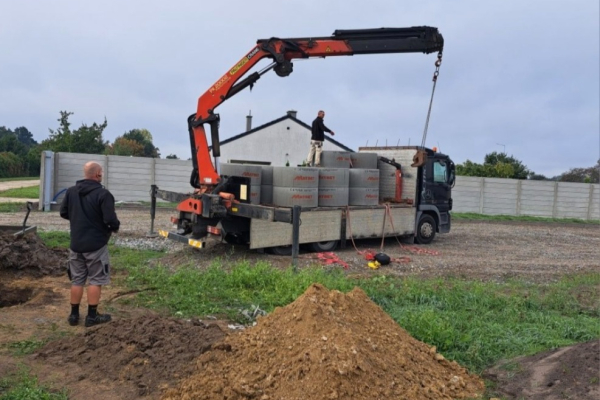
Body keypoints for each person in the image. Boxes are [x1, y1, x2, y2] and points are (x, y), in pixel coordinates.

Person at [60, 161, 120, 327]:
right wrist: (114, 227)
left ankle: (73, 316)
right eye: (101, 172)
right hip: (96, 245)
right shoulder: (103, 194)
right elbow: (110, 220)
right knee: (95, 280)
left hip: (76, 244)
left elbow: (63, 212)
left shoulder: (71, 192)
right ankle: (92, 317)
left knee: (77, 280)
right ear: (98, 174)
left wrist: (78, 220)